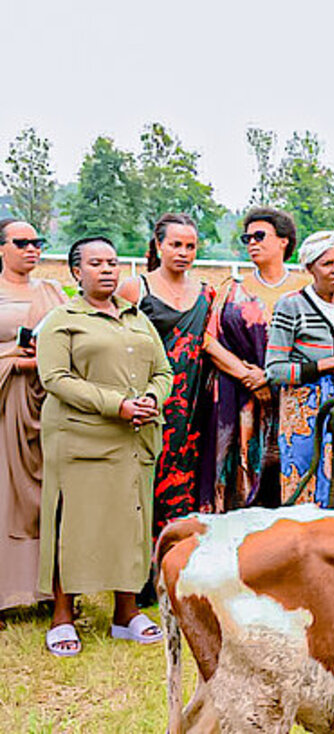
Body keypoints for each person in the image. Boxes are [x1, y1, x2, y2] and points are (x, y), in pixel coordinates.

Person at [36, 236, 172, 656]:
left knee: (129, 526)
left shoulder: (136, 317)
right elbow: (55, 378)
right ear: (77, 271)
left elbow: (163, 369)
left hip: (134, 440)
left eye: (113, 262)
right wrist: (118, 405)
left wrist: (152, 398)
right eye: (96, 263)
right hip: (82, 439)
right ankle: (63, 616)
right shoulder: (62, 319)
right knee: (74, 527)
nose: (108, 269)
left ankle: (125, 614)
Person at [197, 206, 311, 512]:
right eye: (247, 238)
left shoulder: (306, 291)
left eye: (260, 236)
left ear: (284, 241)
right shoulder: (232, 289)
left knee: (289, 484)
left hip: (293, 400)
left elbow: (320, 347)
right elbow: (209, 340)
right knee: (240, 483)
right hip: (240, 400)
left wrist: (270, 377)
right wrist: (247, 375)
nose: (251, 243)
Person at [117, 214, 215, 536]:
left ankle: (173, 563)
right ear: (159, 246)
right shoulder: (135, 288)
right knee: (141, 481)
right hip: (147, 401)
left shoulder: (207, 293)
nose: (183, 252)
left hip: (192, 404)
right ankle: (136, 571)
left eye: (190, 246)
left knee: (185, 481)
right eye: (175, 244)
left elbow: (211, 344)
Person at [266, 230, 334, 507]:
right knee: (303, 481)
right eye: (327, 263)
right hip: (302, 410)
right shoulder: (291, 305)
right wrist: (330, 364)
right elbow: (274, 370)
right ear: (310, 268)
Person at [0, 220, 65, 613]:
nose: (31, 249)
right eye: (21, 242)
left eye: (37, 242)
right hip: (6, 400)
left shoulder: (53, 292)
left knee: (51, 498)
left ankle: (45, 592)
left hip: (50, 403)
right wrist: (14, 362)